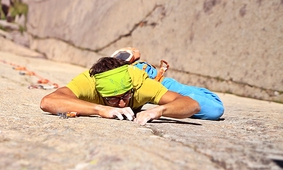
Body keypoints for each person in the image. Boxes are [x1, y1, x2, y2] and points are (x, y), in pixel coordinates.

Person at [40, 57, 200, 126]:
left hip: (144, 77)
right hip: (119, 76)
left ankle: (146, 70)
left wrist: (159, 110)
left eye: (125, 96)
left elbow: (192, 105)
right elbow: (48, 102)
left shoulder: (141, 86)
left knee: (213, 110)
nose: (123, 103)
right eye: (113, 99)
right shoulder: (89, 82)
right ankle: (120, 63)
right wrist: (101, 109)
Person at [111, 47, 224, 120]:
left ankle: (129, 65)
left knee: (215, 109)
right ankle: (126, 64)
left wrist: (160, 111)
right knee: (213, 106)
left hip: (153, 80)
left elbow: (136, 52)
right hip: (143, 79)